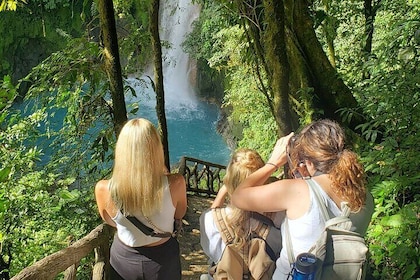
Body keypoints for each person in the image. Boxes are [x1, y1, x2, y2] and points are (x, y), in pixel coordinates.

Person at [231, 119, 374, 279]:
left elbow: (238, 197)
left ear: (309, 162)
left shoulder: (297, 190)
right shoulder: (365, 196)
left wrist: (273, 163)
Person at [94, 118, 187, 280]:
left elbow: (111, 221)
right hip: (163, 259)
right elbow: (179, 214)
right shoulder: (176, 183)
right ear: (157, 148)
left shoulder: (103, 189)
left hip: (124, 260)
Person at [200, 148, 284, 279]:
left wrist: (223, 192)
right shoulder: (279, 215)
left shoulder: (209, 220)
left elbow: (211, 253)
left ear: (228, 181)